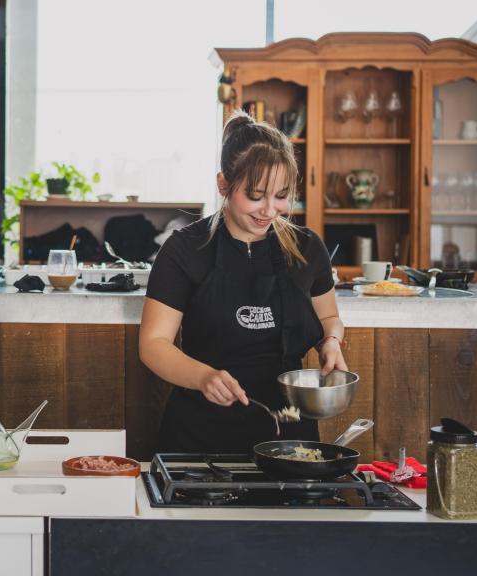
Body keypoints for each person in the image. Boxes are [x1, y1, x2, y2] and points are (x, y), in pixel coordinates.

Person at [140, 110, 347, 454]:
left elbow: (329, 318)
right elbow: (153, 343)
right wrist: (204, 378)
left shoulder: (308, 248)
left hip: (290, 439)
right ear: (223, 184)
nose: (270, 209)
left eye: (281, 195)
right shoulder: (184, 250)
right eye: (256, 195)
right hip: (201, 436)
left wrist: (331, 341)